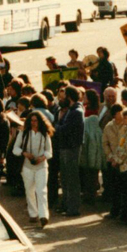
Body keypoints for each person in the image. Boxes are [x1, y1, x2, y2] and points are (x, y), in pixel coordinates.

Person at [13, 112, 54, 227]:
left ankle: (43, 216)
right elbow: (15, 148)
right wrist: (24, 153)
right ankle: (33, 213)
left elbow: (49, 151)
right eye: (31, 120)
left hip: (41, 166)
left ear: (40, 122)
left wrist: (42, 158)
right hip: (27, 166)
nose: (33, 123)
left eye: (36, 121)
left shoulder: (44, 134)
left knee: (41, 191)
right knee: (29, 190)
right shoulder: (24, 133)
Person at [55, 87, 85, 217]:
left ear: (70, 97)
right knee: (66, 178)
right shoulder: (72, 110)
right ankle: (66, 205)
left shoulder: (76, 112)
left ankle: (73, 208)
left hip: (71, 147)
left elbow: (65, 129)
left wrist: (56, 125)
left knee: (71, 179)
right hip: (66, 147)